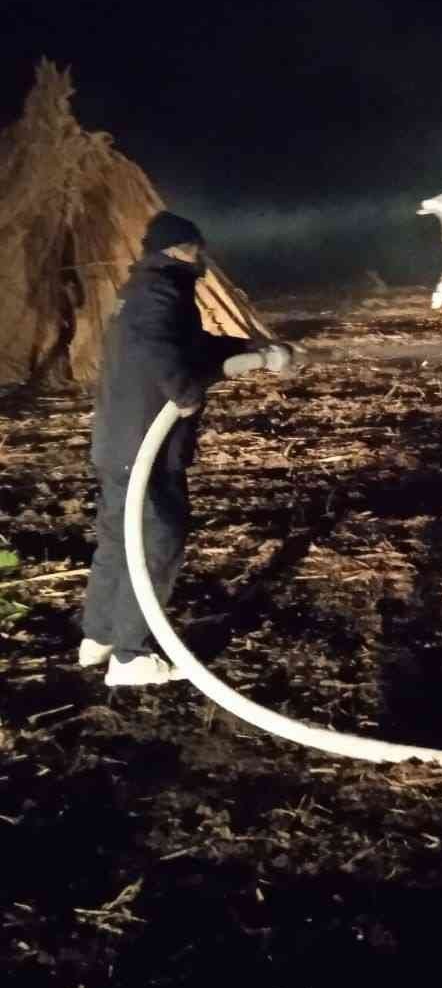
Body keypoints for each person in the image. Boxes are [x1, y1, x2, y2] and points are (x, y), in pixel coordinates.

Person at [80, 211, 292, 686]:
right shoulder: (161, 290)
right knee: (156, 538)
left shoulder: (145, 289)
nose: (203, 258)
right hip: (144, 446)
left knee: (119, 537)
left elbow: (192, 343)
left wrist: (256, 347)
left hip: (118, 440)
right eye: (197, 248)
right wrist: (186, 391)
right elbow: (163, 348)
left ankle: (98, 638)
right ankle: (131, 657)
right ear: (181, 248)